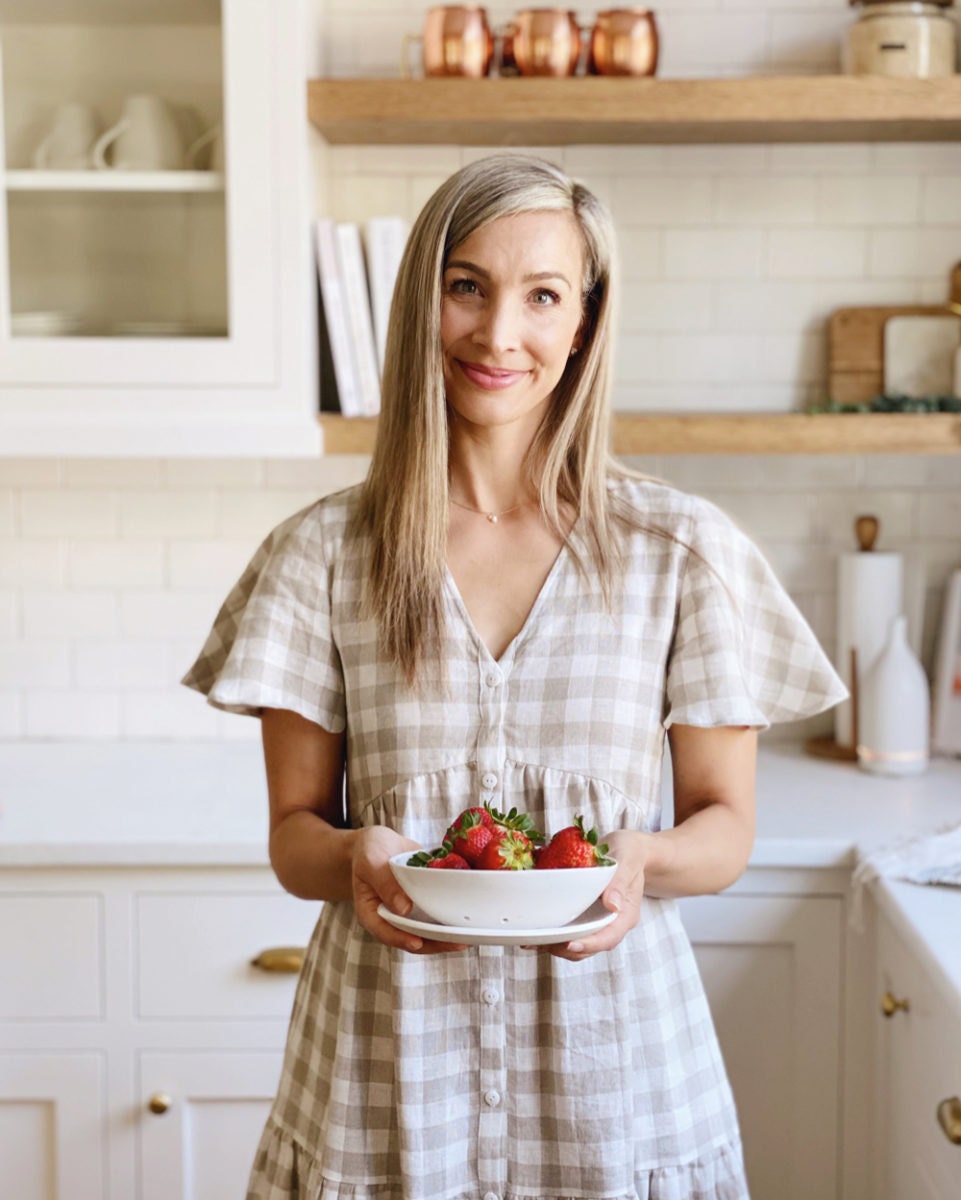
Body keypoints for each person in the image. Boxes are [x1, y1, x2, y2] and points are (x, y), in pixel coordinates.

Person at [183, 153, 846, 1200]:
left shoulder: (679, 549)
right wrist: (357, 853)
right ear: (422, 304)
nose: (498, 334)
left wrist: (636, 861)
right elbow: (294, 836)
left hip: (616, 1082)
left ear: (583, 323)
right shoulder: (321, 555)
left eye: (542, 297)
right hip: (385, 1079)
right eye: (466, 286)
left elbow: (725, 827)